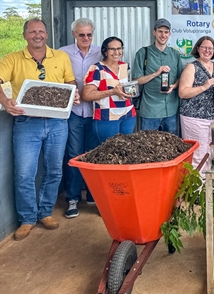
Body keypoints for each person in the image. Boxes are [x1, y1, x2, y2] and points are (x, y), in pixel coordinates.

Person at [0, 18, 78, 240]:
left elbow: (70, 82)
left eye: (41, 31)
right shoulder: (12, 59)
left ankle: (45, 212)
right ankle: (27, 218)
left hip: (57, 123)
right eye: (32, 31)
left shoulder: (60, 57)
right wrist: (5, 102)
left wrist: (74, 93)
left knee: (54, 170)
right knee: (25, 173)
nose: (37, 35)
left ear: (46, 34)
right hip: (27, 123)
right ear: (24, 35)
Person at [59, 18, 102, 219]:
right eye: (82, 34)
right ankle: (73, 199)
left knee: (94, 155)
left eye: (89, 34)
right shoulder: (62, 53)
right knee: (74, 155)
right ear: (74, 34)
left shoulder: (101, 52)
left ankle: (94, 195)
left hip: (97, 112)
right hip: (74, 113)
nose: (86, 38)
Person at [179, 36, 214, 178]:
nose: (207, 51)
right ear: (198, 49)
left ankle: (207, 188)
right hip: (193, 117)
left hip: (212, 119)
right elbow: (182, 92)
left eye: (210, 48)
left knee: (210, 153)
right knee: (197, 155)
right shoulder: (191, 67)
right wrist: (203, 86)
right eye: (204, 47)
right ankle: (196, 190)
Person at [82, 37, 136, 145]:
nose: (116, 52)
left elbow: (125, 86)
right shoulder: (97, 69)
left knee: (126, 151)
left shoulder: (125, 66)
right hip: (106, 117)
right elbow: (86, 95)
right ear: (105, 51)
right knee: (109, 153)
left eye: (119, 48)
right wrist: (112, 92)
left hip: (128, 115)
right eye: (112, 49)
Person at [133, 18, 183, 135]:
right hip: (150, 110)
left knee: (172, 147)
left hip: (171, 109)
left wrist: (174, 86)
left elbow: (181, 78)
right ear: (154, 32)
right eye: (160, 31)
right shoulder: (143, 53)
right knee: (149, 148)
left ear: (169, 34)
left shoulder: (175, 54)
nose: (163, 35)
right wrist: (156, 73)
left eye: (166, 32)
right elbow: (137, 80)